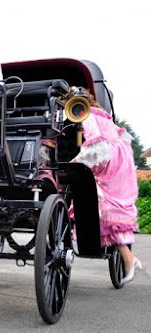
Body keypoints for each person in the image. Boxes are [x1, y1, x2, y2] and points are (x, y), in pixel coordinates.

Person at [65, 87, 142, 284]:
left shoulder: (85, 114)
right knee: (109, 203)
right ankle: (128, 258)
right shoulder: (104, 115)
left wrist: (75, 160)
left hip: (109, 157)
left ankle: (128, 258)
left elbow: (95, 145)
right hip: (121, 157)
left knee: (103, 203)